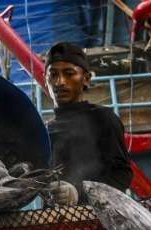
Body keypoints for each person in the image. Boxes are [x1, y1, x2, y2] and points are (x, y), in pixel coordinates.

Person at [45, 42, 133, 206]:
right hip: (56, 221)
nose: (60, 82)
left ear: (86, 79)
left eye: (69, 73)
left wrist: (79, 194)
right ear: (45, 80)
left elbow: (122, 175)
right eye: (53, 75)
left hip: (96, 220)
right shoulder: (46, 130)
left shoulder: (102, 118)